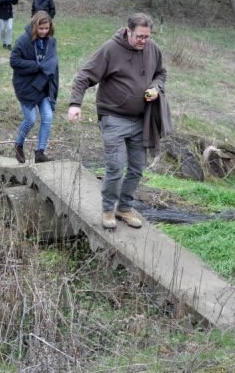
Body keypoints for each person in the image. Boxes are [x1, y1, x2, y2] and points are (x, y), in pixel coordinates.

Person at [67, 12, 167, 230]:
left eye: (147, 36)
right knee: (115, 166)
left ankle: (124, 208)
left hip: (142, 119)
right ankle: (108, 210)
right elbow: (84, 76)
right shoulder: (110, 49)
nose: (144, 41)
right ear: (128, 30)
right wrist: (75, 104)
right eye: (140, 36)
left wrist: (156, 88)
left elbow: (161, 73)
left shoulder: (153, 49)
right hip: (113, 117)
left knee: (137, 167)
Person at [10, 11, 59, 164]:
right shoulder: (24, 40)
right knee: (30, 119)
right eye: (41, 28)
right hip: (27, 87)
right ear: (34, 26)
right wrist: (37, 66)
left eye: (46, 28)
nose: (44, 31)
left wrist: (47, 70)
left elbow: (53, 61)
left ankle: (40, 152)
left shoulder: (51, 41)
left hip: (44, 86)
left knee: (47, 117)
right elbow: (14, 61)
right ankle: (18, 145)